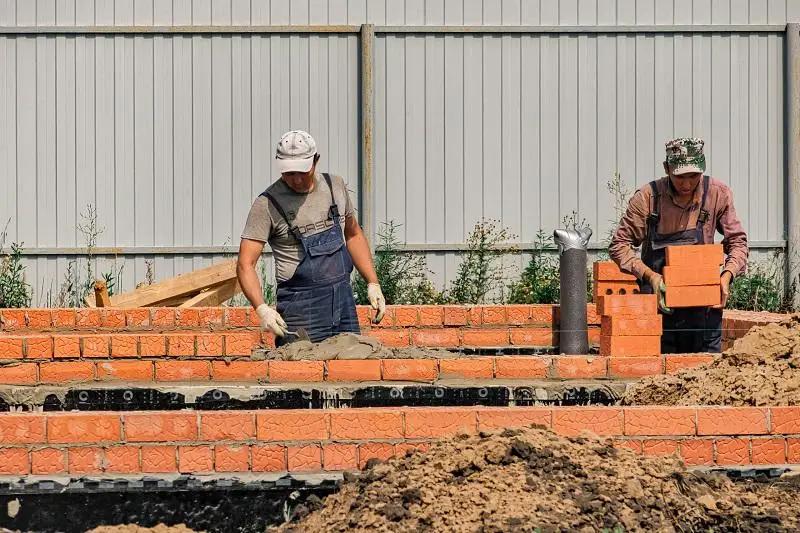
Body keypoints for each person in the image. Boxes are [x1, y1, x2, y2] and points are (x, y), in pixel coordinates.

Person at [237, 130, 386, 345]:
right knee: (300, 372)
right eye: (289, 173)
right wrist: (262, 309)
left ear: (315, 161)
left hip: (343, 302)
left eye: (302, 172)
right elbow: (245, 263)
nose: (296, 180)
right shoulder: (267, 204)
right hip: (300, 309)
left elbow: (353, 235)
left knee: (350, 370)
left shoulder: (335, 186)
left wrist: (373, 282)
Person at [609, 137, 748, 353]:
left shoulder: (717, 194)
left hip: (704, 308)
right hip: (659, 308)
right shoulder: (648, 198)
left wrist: (727, 275)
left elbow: (738, 242)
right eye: (679, 176)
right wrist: (650, 276)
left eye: (694, 176)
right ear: (667, 169)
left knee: (704, 374)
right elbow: (619, 245)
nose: (687, 184)